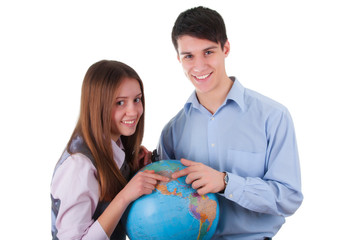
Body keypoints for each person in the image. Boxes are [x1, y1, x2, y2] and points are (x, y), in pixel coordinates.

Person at [156, 6, 303, 240]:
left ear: (226, 48)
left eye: (208, 52)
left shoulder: (273, 116)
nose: (199, 66)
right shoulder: (172, 132)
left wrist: (226, 182)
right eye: (189, 56)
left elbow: (288, 198)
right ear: (178, 58)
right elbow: (166, 201)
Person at [50, 60, 169, 240]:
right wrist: (125, 195)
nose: (133, 111)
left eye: (137, 99)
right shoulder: (78, 165)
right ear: (98, 106)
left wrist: (132, 170)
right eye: (120, 103)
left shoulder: (115, 146)